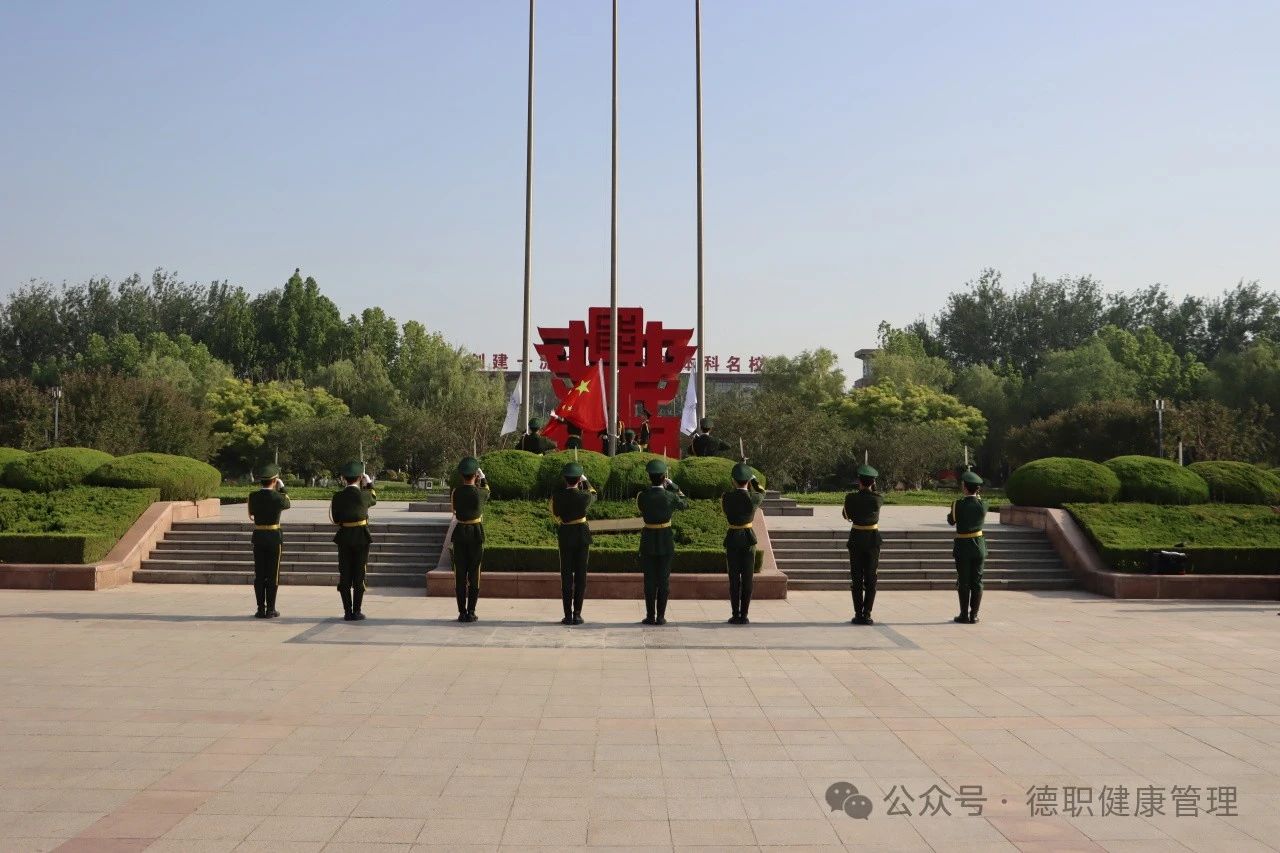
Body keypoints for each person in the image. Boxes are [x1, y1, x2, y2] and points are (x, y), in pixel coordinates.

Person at [637, 458, 689, 625]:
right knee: (663, 579)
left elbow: (641, 507)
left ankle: (650, 616)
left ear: (649, 477)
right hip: (665, 539)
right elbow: (685, 504)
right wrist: (674, 487)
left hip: (648, 539)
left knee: (649, 580)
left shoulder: (642, 496)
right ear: (664, 477)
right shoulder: (670, 496)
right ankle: (661, 616)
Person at [329, 462, 377, 621]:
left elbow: (336, 519)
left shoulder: (337, 496)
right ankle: (357, 611)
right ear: (360, 477)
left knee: (345, 575)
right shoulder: (365, 495)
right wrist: (368, 483)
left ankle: (347, 612)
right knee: (359, 575)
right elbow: (374, 498)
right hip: (361, 537)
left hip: (344, 537)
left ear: (344, 478)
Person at [550, 461, 596, 624]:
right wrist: (585, 481)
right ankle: (577, 613)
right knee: (581, 576)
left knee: (566, 575)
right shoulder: (584, 496)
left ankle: (567, 614)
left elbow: (555, 513)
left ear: (565, 479)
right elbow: (594, 494)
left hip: (565, 535)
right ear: (578, 479)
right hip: (582, 535)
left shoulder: (557, 496)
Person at [722, 463, 764, 624]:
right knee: (747, 579)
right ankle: (744, 615)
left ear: (733, 480)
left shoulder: (726, 497)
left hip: (733, 538)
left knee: (734, 579)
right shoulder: (754, 498)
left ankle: (735, 614)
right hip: (748, 539)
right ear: (748, 480)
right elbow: (762, 492)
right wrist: (753, 479)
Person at [247, 464, 290, 619]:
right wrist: (282, 487)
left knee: (259, 574)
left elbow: (252, 512)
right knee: (273, 574)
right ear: (274, 480)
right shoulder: (279, 497)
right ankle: (271, 609)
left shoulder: (253, 496)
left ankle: (260, 609)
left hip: (259, 537)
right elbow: (287, 503)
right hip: (274, 537)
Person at [842, 464, 883, 625]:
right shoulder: (877, 498)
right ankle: (867, 613)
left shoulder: (850, 498)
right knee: (871, 578)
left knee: (857, 577)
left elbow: (846, 515)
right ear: (873, 482)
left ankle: (858, 613)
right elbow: (875, 498)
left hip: (856, 540)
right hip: (872, 541)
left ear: (859, 481)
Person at [451, 456, 489, 622]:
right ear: (476, 475)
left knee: (460, 574)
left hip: (460, 532)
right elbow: (487, 489)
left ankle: (462, 612)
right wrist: (483, 478)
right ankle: (471, 611)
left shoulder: (456, 492)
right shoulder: (480, 492)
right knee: (474, 574)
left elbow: (454, 511)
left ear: (461, 475)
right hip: (475, 533)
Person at [948, 471, 987, 624]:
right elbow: (979, 500)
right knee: (977, 581)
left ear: (964, 487)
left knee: (963, 581)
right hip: (978, 546)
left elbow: (951, 521)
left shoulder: (957, 504)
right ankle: (974, 615)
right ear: (978, 489)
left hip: (963, 547)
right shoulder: (983, 505)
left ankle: (964, 614)